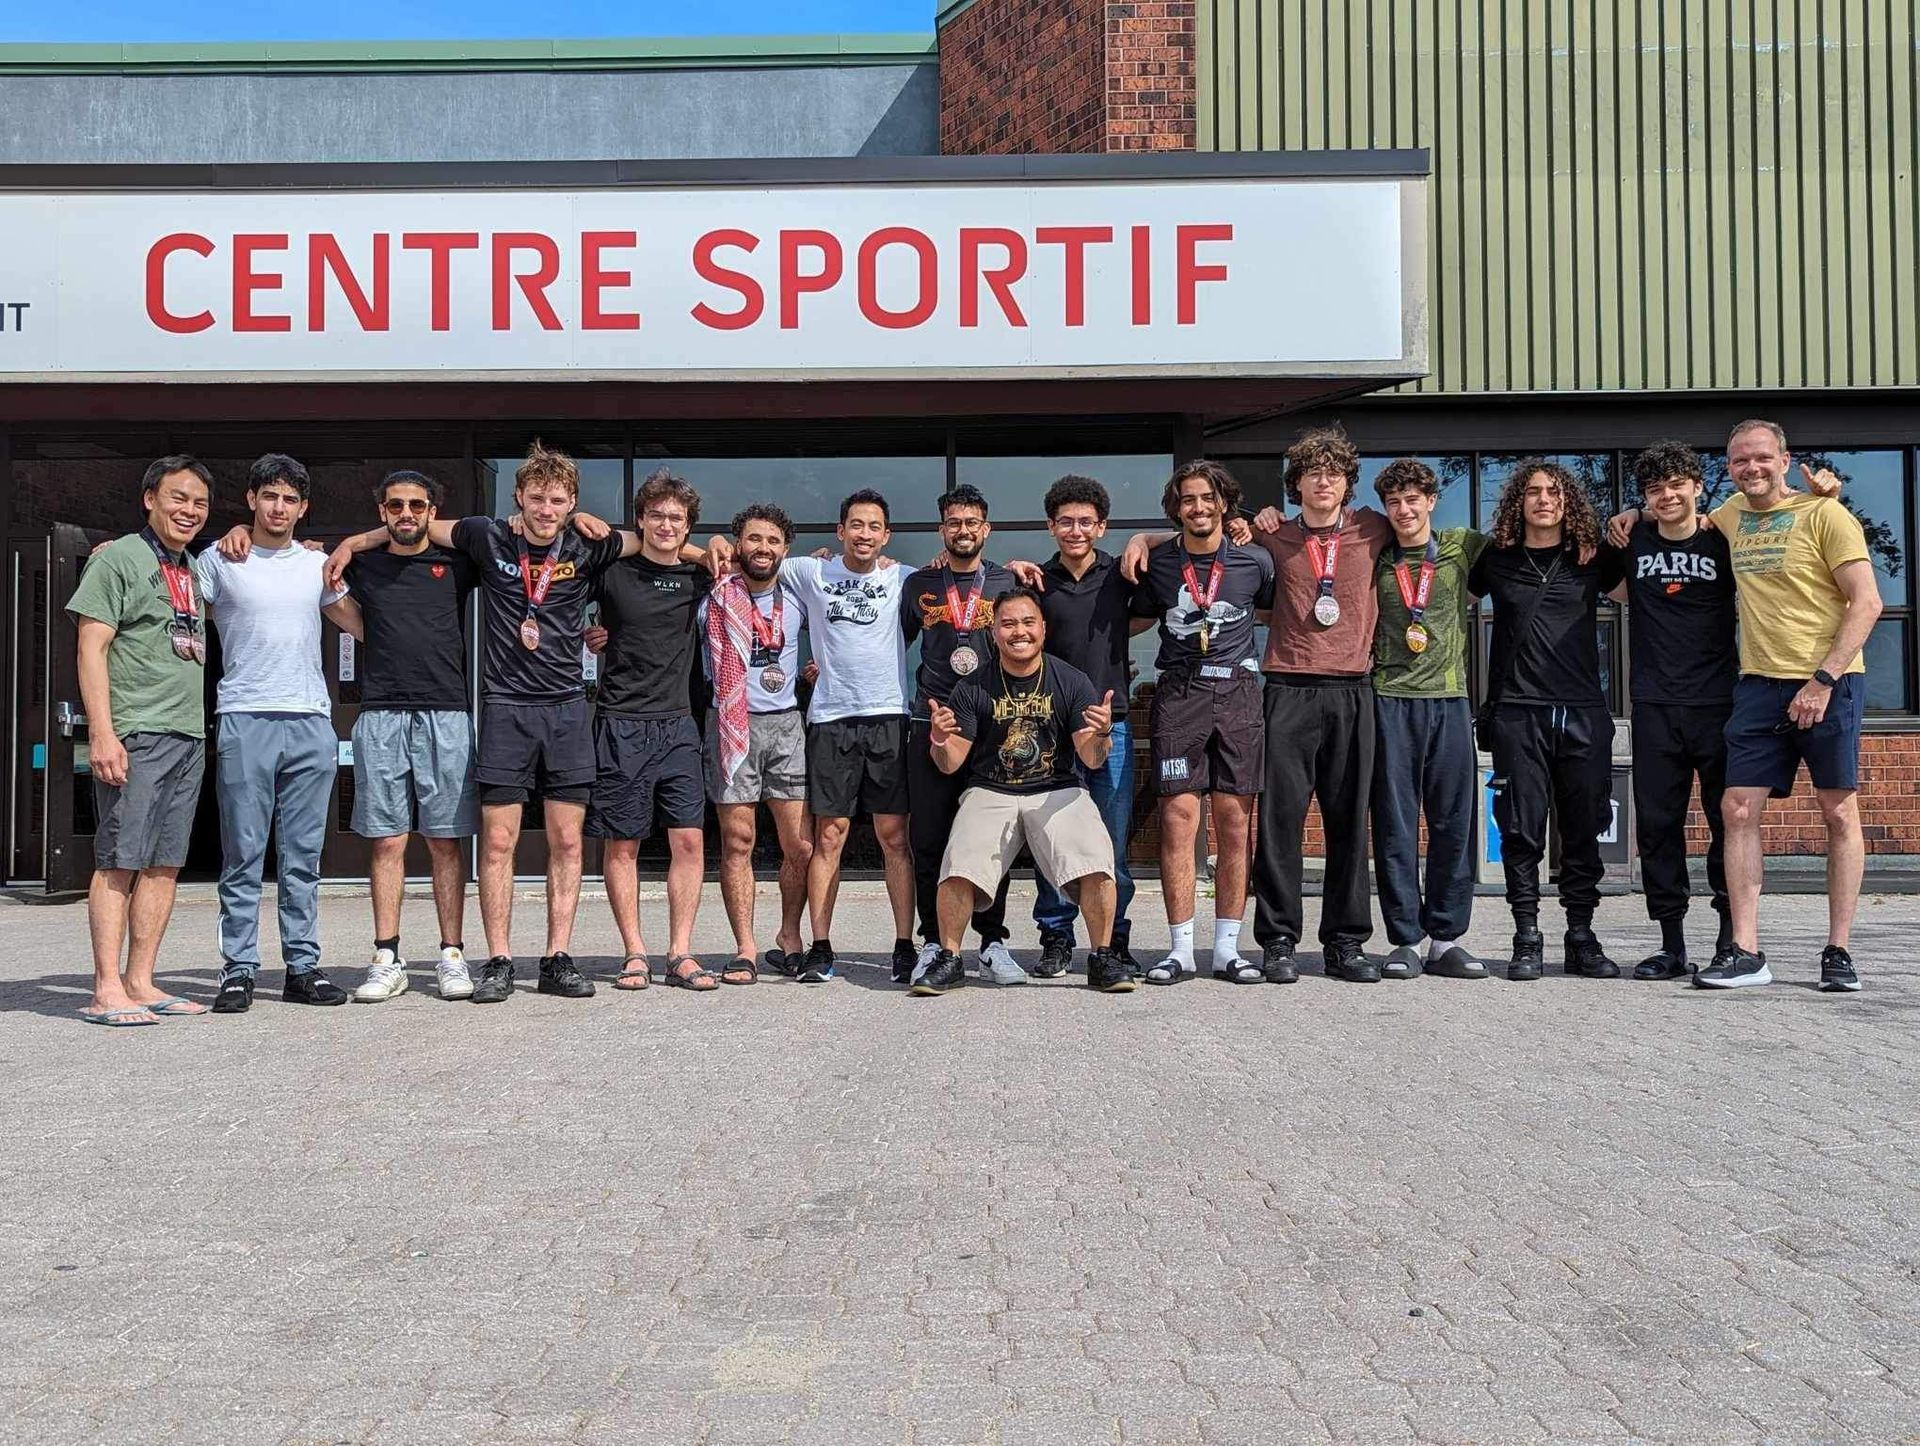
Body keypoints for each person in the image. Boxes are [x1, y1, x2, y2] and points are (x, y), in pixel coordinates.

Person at [325, 441, 628, 1005]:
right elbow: (416, 526)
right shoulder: (488, 537)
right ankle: (499, 960)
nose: (545, 509)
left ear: (570, 504)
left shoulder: (589, 544)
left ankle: (557, 958)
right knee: (497, 841)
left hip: (566, 708)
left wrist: (709, 548)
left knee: (567, 841)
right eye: (536, 497)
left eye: (557, 500)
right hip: (504, 709)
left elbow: (653, 543)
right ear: (519, 498)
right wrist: (352, 541)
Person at [1695, 420, 1882, 991]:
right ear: (1729, 468)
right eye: (1739, 460)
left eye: (1761, 457)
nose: (1750, 468)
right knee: (1737, 810)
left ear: (1784, 459)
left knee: (1837, 812)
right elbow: (1680, 517)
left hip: (1829, 681)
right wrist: (1631, 514)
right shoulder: (1730, 514)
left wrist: (1822, 680)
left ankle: (1838, 950)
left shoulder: (1826, 515)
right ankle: (1747, 952)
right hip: (1758, 686)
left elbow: (1867, 602)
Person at [913, 586, 1133, 996]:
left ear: (1043, 628)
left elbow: (1091, 758)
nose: (1019, 632)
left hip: (1057, 788)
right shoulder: (973, 687)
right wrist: (939, 741)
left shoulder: (1070, 680)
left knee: (1097, 858)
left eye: (1028, 622)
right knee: (958, 864)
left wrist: (1103, 734)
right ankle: (950, 958)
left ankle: (1102, 956)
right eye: (1008, 623)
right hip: (991, 790)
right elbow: (951, 763)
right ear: (993, 631)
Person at [201, 453, 363, 1014]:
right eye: (269, 496)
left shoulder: (316, 566)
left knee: (302, 856)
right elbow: (168, 593)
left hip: (311, 720)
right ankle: (238, 969)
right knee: (243, 853)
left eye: (290, 499)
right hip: (245, 716)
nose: (278, 507)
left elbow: (361, 624)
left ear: (303, 507)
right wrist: (111, 554)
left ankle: (302, 966)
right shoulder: (220, 560)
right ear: (252, 499)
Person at [69, 456, 216, 1025]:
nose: (189, 510)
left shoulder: (190, 566)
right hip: (135, 732)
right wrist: (102, 733)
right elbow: (91, 646)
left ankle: (141, 980)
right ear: (150, 499)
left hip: (187, 732)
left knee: (164, 864)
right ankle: (106, 988)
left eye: (199, 503)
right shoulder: (120, 559)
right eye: (178, 497)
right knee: (119, 860)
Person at [1467, 460, 1625, 982]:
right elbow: (1444, 599)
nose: (1543, 500)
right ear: (1519, 501)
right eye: (1533, 492)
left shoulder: (1593, 557)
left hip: (1583, 711)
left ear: (1567, 501)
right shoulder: (1496, 559)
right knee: (1520, 830)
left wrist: (1637, 516)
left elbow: (1650, 586)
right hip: (1519, 711)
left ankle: (1581, 936)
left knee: (1583, 829)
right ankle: (1526, 936)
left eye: (1554, 492)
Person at [1247, 426, 1394, 983]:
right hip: (1287, 688)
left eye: (1334, 473)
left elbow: (1428, 529)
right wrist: (1142, 540)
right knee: (1280, 822)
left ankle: (1345, 942)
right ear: (1297, 484)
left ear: (1348, 482)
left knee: (1349, 821)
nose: (1324, 482)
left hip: (1352, 689)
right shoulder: (1273, 535)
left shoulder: (1373, 527)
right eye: (1313, 473)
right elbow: (1201, 536)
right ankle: (1278, 940)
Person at [1123, 461, 1275, 985]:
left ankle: (1228, 949)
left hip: (1237, 693)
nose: (1199, 507)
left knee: (1234, 824)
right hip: (1180, 693)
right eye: (1188, 499)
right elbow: (1133, 617)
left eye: (1208, 497)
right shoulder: (1161, 562)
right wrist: (1140, 538)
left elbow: (1279, 614)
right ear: (1176, 508)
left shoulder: (1256, 561)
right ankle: (1181, 949)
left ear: (1225, 503)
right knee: (1178, 820)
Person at [341, 469, 481, 1003]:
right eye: (395, 505)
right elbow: (311, 577)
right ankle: (387, 957)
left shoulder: (458, 562)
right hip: (381, 714)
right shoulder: (362, 565)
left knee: (445, 841)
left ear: (431, 511)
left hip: (446, 713)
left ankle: (452, 955)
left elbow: (496, 540)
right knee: (387, 840)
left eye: (417, 505)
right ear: (382, 511)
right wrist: (354, 545)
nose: (406, 514)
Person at [585, 469, 715, 992]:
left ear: (688, 525)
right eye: (656, 515)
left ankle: (680, 952)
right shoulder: (611, 572)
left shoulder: (700, 577)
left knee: (689, 841)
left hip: (679, 724)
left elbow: (743, 565)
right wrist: (589, 634)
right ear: (640, 519)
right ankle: (634, 952)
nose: (666, 525)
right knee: (623, 846)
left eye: (676, 518)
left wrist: (708, 550)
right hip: (621, 721)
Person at [1365, 459, 1490, 980]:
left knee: (1452, 822)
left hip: (1450, 699)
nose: (1404, 510)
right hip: (1390, 699)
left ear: (1432, 501)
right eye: (1394, 502)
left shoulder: (1462, 545)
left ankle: (1446, 939)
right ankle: (1405, 940)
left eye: (1413, 499)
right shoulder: (1375, 554)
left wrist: (1634, 517)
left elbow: (1525, 536)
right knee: (1395, 825)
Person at [1616, 442, 1737, 981]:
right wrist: (1629, 514)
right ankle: (1671, 945)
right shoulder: (1632, 539)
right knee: (1659, 827)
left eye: (1675, 485)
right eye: (1654, 489)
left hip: (1719, 703)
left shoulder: (1723, 538)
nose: (1666, 496)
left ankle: (1731, 940)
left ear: (1697, 486)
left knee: (1727, 823)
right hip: (1654, 704)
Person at [1028, 476, 1146, 979]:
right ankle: (1056, 938)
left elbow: (1180, 543)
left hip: (1110, 728)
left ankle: (1113, 940)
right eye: (1066, 522)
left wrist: (1143, 538)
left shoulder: (1123, 575)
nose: (1075, 530)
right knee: (1053, 843)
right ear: (1051, 526)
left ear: (1101, 526)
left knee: (1110, 844)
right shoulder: (1036, 582)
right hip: (1050, 731)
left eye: (1085, 522)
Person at [901, 484, 1018, 983]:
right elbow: (889, 642)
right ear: (942, 529)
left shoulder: (1008, 580)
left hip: (991, 726)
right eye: (954, 522)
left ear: (986, 529)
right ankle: (933, 942)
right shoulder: (918, 584)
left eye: (972, 522)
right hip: (931, 724)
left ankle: (992, 943)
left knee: (993, 841)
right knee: (928, 840)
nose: (963, 530)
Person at [703, 503, 813, 984]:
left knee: (800, 845)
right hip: (732, 722)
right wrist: (707, 546)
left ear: (785, 549)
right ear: (737, 544)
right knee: (738, 841)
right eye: (753, 538)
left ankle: (790, 936)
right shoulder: (714, 593)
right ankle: (745, 947)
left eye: (772, 540)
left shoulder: (799, 593)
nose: (762, 548)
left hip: (786, 724)